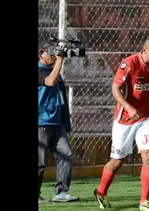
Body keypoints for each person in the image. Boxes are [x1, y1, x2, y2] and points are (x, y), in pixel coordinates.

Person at [93, 36, 149, 211]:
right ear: (145, 50)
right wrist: (128, 107)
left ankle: (144, 202)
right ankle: (100, 192)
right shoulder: (129, 63)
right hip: (124, 119)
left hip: (146, 117)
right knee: (117, 161)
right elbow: (115, 89)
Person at [38, 43, 80, 203]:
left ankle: (61, 192)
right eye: (51, 53)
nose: (54, 56)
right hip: (41, 122)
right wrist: (60, 61)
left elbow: (61, 98)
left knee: (66, 155)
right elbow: (49, 81)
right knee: (39, 163)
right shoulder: (40, 70)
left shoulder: (54, 71)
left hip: (56, 123)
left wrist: (65, 122)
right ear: (41, 54)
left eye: (56, 53)